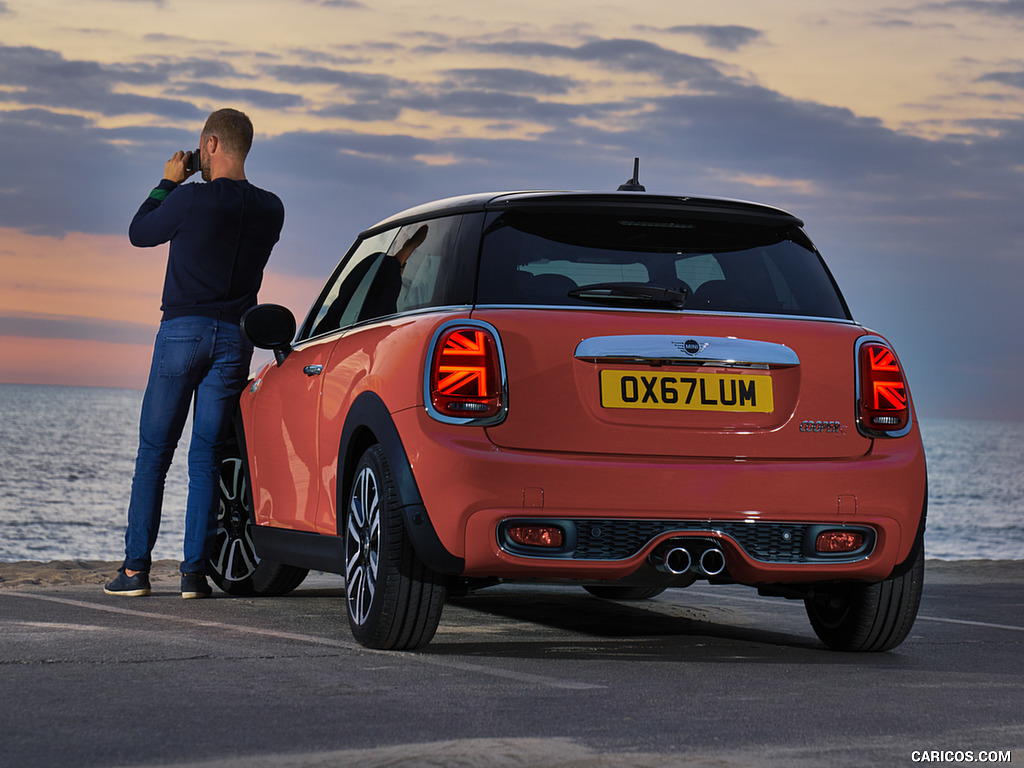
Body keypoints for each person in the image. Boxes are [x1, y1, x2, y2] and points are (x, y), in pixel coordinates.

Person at [104, 108, 284, 599]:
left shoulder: (189, 200)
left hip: (183, 332)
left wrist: (166, 182)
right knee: (204, 458)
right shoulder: (273, 208)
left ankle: (136, 572)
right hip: (234, 339)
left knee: (154, 455)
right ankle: (193, 576)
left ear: (210, 144)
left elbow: (139, 232)